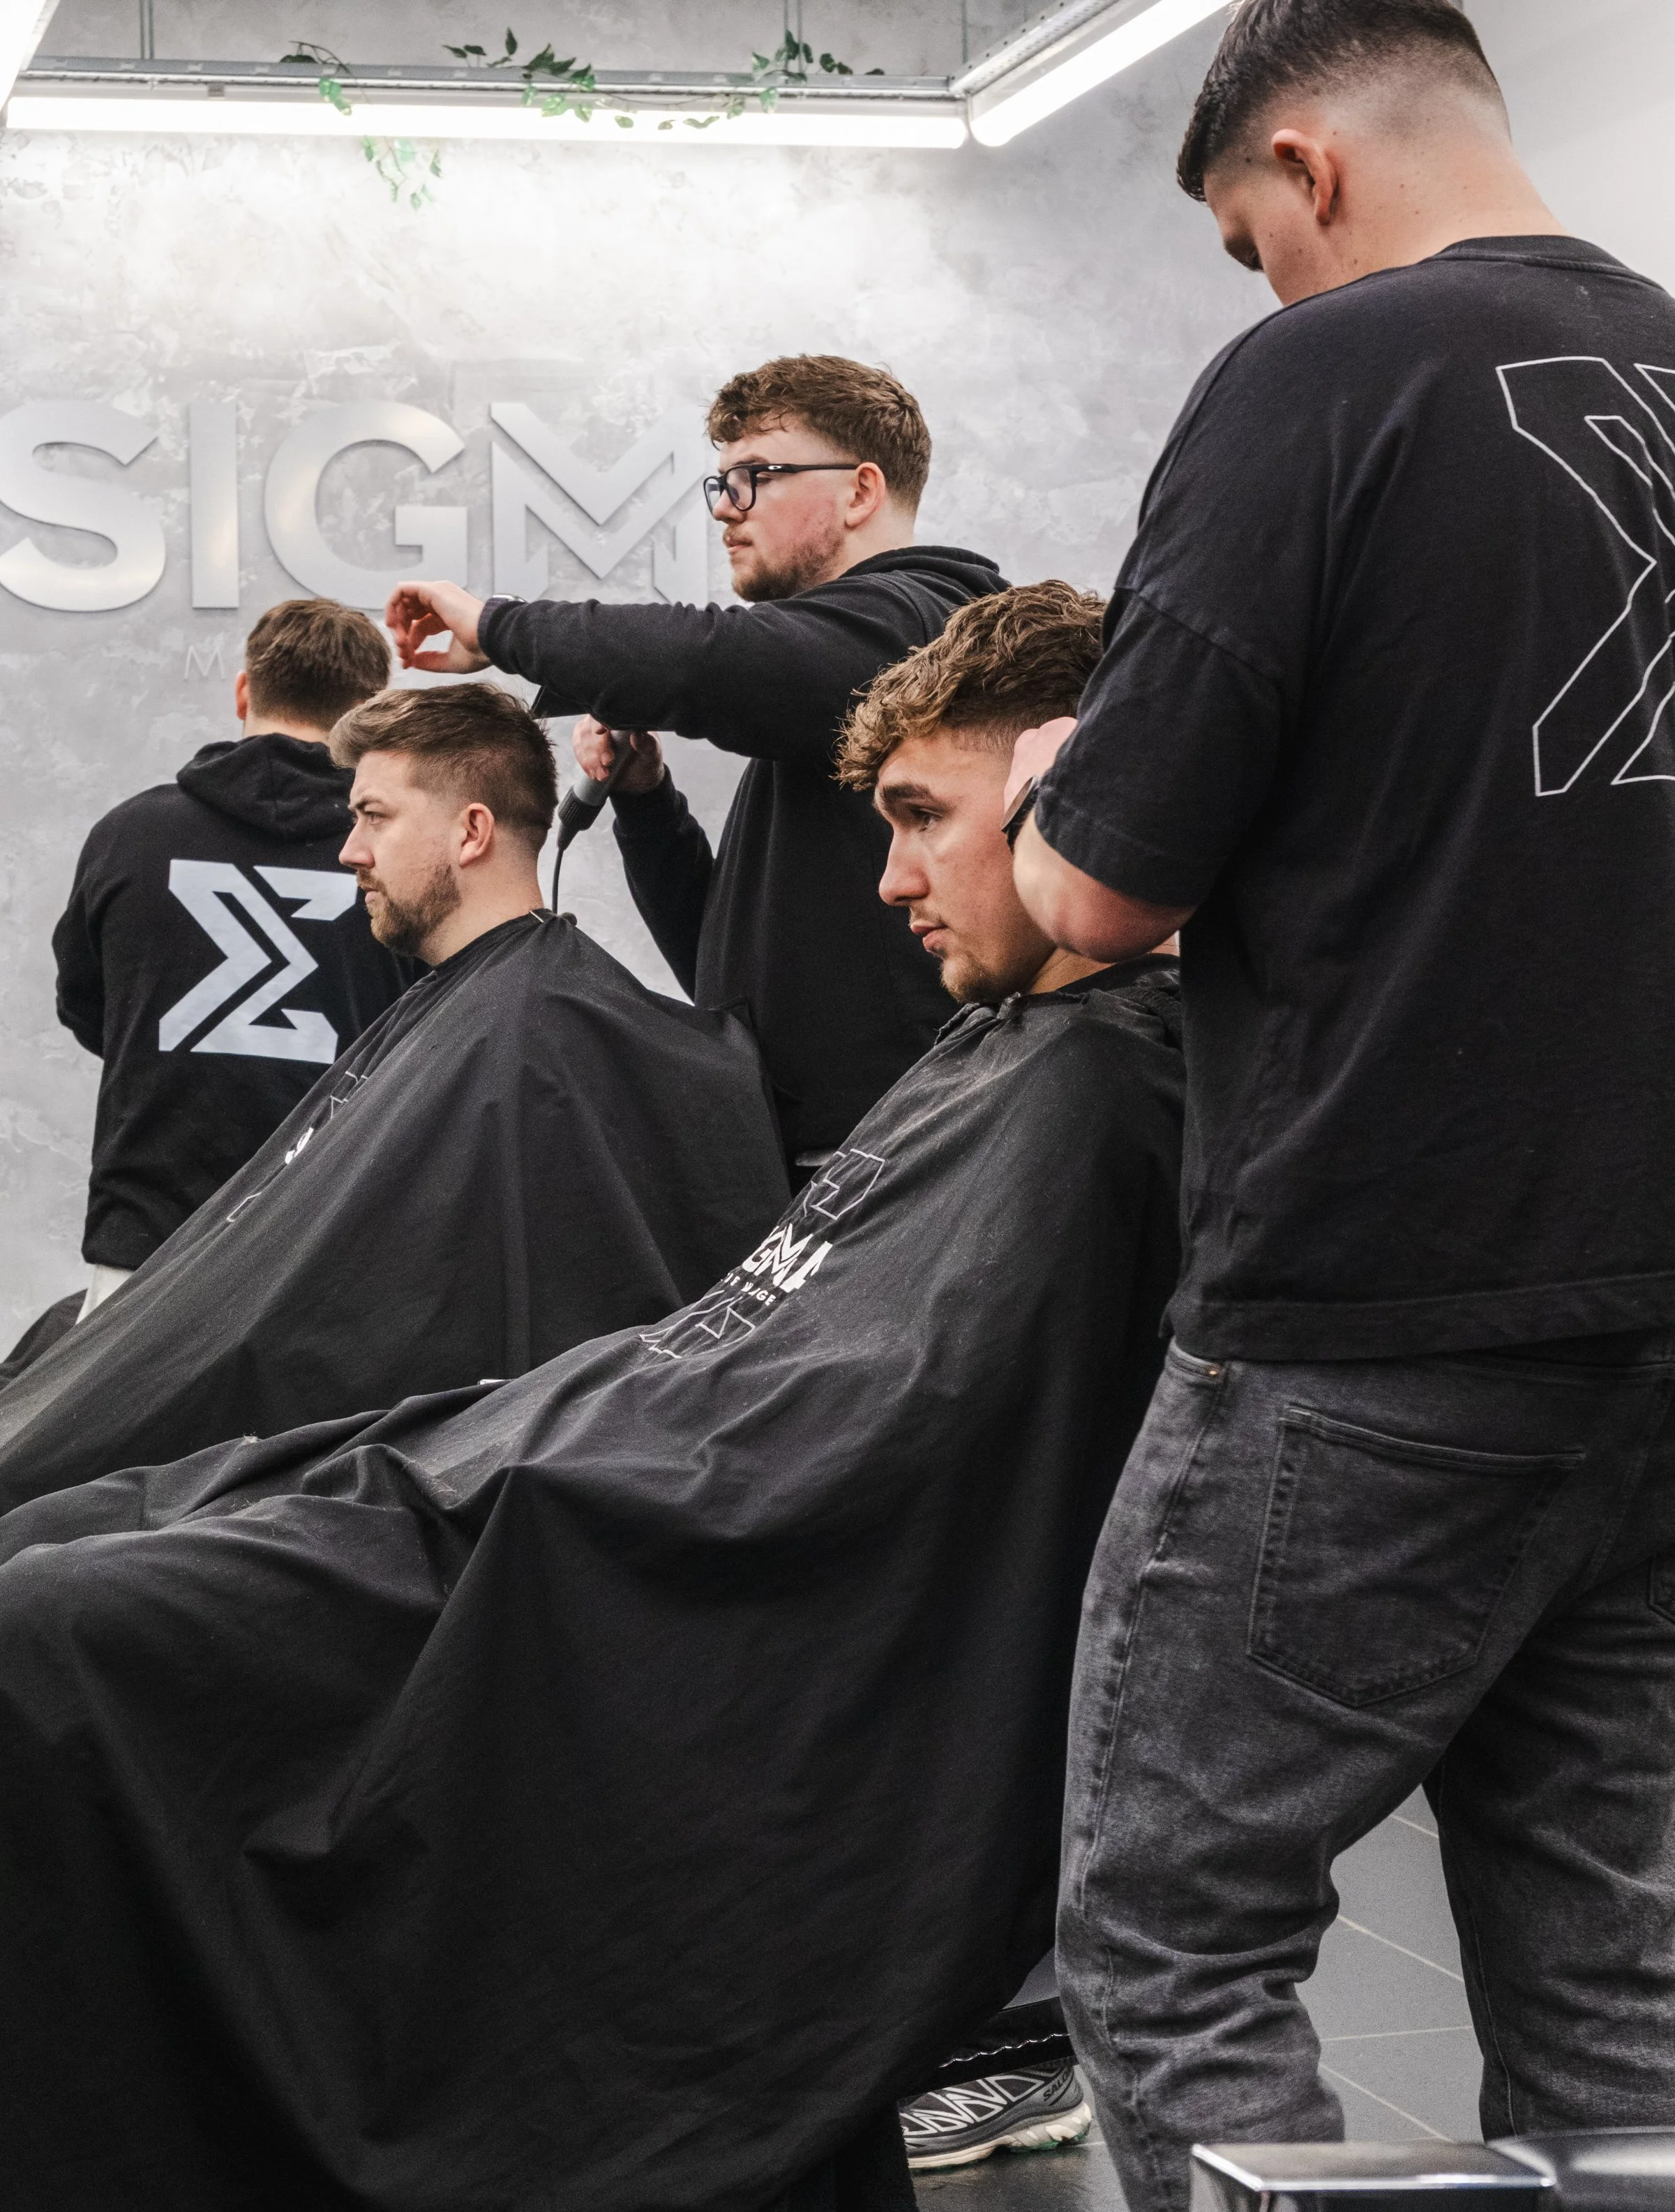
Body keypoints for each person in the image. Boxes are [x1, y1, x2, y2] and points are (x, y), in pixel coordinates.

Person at [0, 584, 1183, 2212]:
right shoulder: (1014, 1054)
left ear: (1078, 796)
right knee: (101, 1525)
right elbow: (744, 1366)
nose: (884, 882)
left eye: (922, 820)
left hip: (641, 1594)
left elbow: (836, 1466)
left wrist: (490, 1473)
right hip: (573, 1490)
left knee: (56, 1628)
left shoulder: (1102, 1100)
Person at [1000, 0, 1675, 2212]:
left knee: (1172, 1926)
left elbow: (1098, 887)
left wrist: (1027, 832)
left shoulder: (1316, 379)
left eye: (1250, 233)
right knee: (1607, 1960)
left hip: (1385, 1309)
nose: (1262, 274)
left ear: (1303, 168)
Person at [0, 683, 789, 1511]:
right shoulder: (480, 1012)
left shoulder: (531, 1037)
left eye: (374, 817)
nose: (349, 850)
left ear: (471, 831)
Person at [382, 354, 1006, 1171]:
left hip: (892, 1164)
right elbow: (724, 979)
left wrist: (501, 626)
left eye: (755, 477)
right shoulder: (834, 693)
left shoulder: (921, 624)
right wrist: (647, 804)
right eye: (721, 484)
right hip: (808, 1166)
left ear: (859, 491)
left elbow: (706, 659)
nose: (726, 511)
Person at [51, 596, 417, 1318]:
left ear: (244, 690)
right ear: (373, 711)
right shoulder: (399, 856)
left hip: (147, 1249)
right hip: (332, 1250)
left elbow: (92, 1012)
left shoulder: (128, 834)